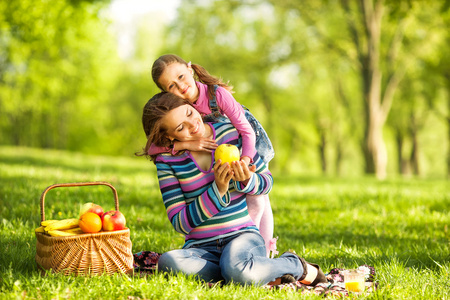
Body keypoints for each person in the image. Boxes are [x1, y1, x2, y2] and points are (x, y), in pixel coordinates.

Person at [138, 92, 327, 286]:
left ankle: (295, 265)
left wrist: (247, 180)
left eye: (189, 113)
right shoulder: (167, 161)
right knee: (168, 263)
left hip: (242, 238)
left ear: (192, 105)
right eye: (180, 128)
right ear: (169, 136)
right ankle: (248, 273)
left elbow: (267, 181)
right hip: (201, 249)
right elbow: (181, 223)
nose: (192, 124)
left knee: (235, 267)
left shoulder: (229, 132)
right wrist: (218, 191)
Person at [149, 54, 275, 256]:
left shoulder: (217, 96)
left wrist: (246, 160)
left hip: (247, 141)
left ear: (190, 69)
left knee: (258, 198)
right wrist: (187, 143)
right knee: (245, 198)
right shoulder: (178, 110)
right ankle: (237, 250)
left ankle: (264, 250)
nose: (181, 87)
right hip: (221, 147)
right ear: (166, 94)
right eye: (172, 86)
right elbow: (152, 149)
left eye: (181, 76)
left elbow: (246, 131)